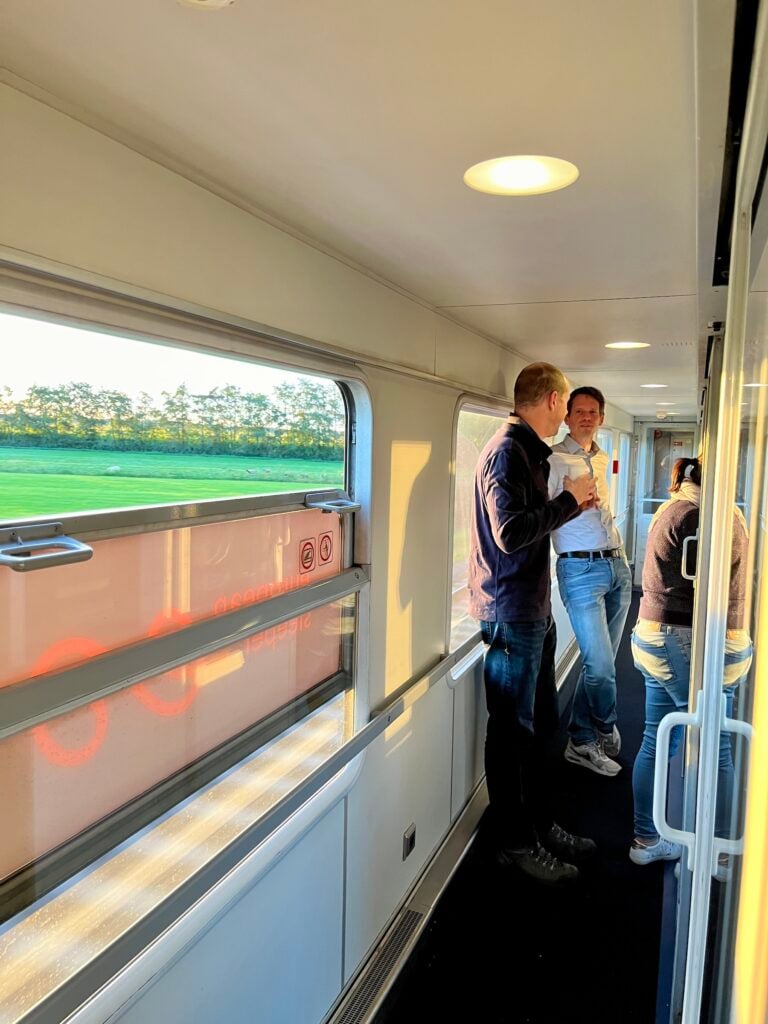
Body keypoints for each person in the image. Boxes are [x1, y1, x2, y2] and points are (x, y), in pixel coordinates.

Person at [469, 361, 598, 883]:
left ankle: (540, 824)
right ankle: (516, 842)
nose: (566, 415)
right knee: (511, 735)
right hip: (511, 611)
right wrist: (570, 500)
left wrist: (570, 505)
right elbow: (510, 533)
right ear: (551, 400)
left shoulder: (527, 451)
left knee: (541, 725)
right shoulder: (507, 451)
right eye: (565, 405)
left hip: (532, 608)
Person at [629, 457, 752, 865]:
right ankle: (719, 852)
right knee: (717, 745)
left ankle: (646, 840)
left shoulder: (673, 508)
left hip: (655, 634)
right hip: (681, 639)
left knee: (656, 738)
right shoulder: (705, 518)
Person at [548, 386, 632, 776]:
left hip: (617, 565)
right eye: (578, 411)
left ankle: (580, 741)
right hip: (580, 571)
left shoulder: (601, 457)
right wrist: (571, 501)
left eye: (592, 411)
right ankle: (603, 724)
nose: (586, 417)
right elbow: (543, 515)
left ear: (601, 418)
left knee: (604, 663)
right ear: (567, 417)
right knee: (599, 666)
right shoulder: (552, 460)